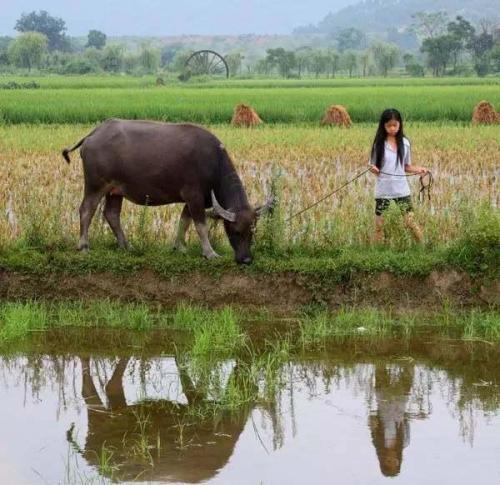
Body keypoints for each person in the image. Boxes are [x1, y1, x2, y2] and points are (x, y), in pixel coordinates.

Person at [368, 109, 428, 244]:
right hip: (384, 190)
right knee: (379, 225)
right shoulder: (379, 144)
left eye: (395, 125)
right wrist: (373, 169)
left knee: (410, 222)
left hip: (401, 189)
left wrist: (419, 169)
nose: (392, 128)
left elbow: (406, 166)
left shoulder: (405, 143)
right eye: (389, 125)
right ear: (383, 126)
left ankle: (423, 246)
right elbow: (374, 167)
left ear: (400, 124)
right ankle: (377, 252)